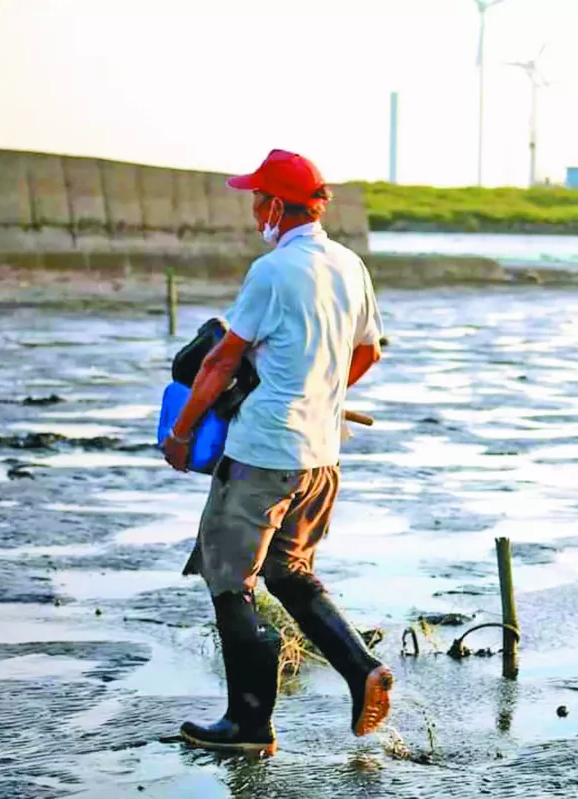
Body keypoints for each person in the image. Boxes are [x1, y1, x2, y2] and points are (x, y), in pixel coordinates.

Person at [161, 149, 391, 756]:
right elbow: (370, 351)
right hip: (320, 456)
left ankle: (248, 724)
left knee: (229, 580)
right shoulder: (350, 265)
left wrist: (181, 433)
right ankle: (361, 668)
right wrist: (322, 390)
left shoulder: (273, 270)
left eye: (257, 199)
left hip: (264, 452)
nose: (253, 209)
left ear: (277, 206)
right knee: (289, 572)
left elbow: (219, 360)